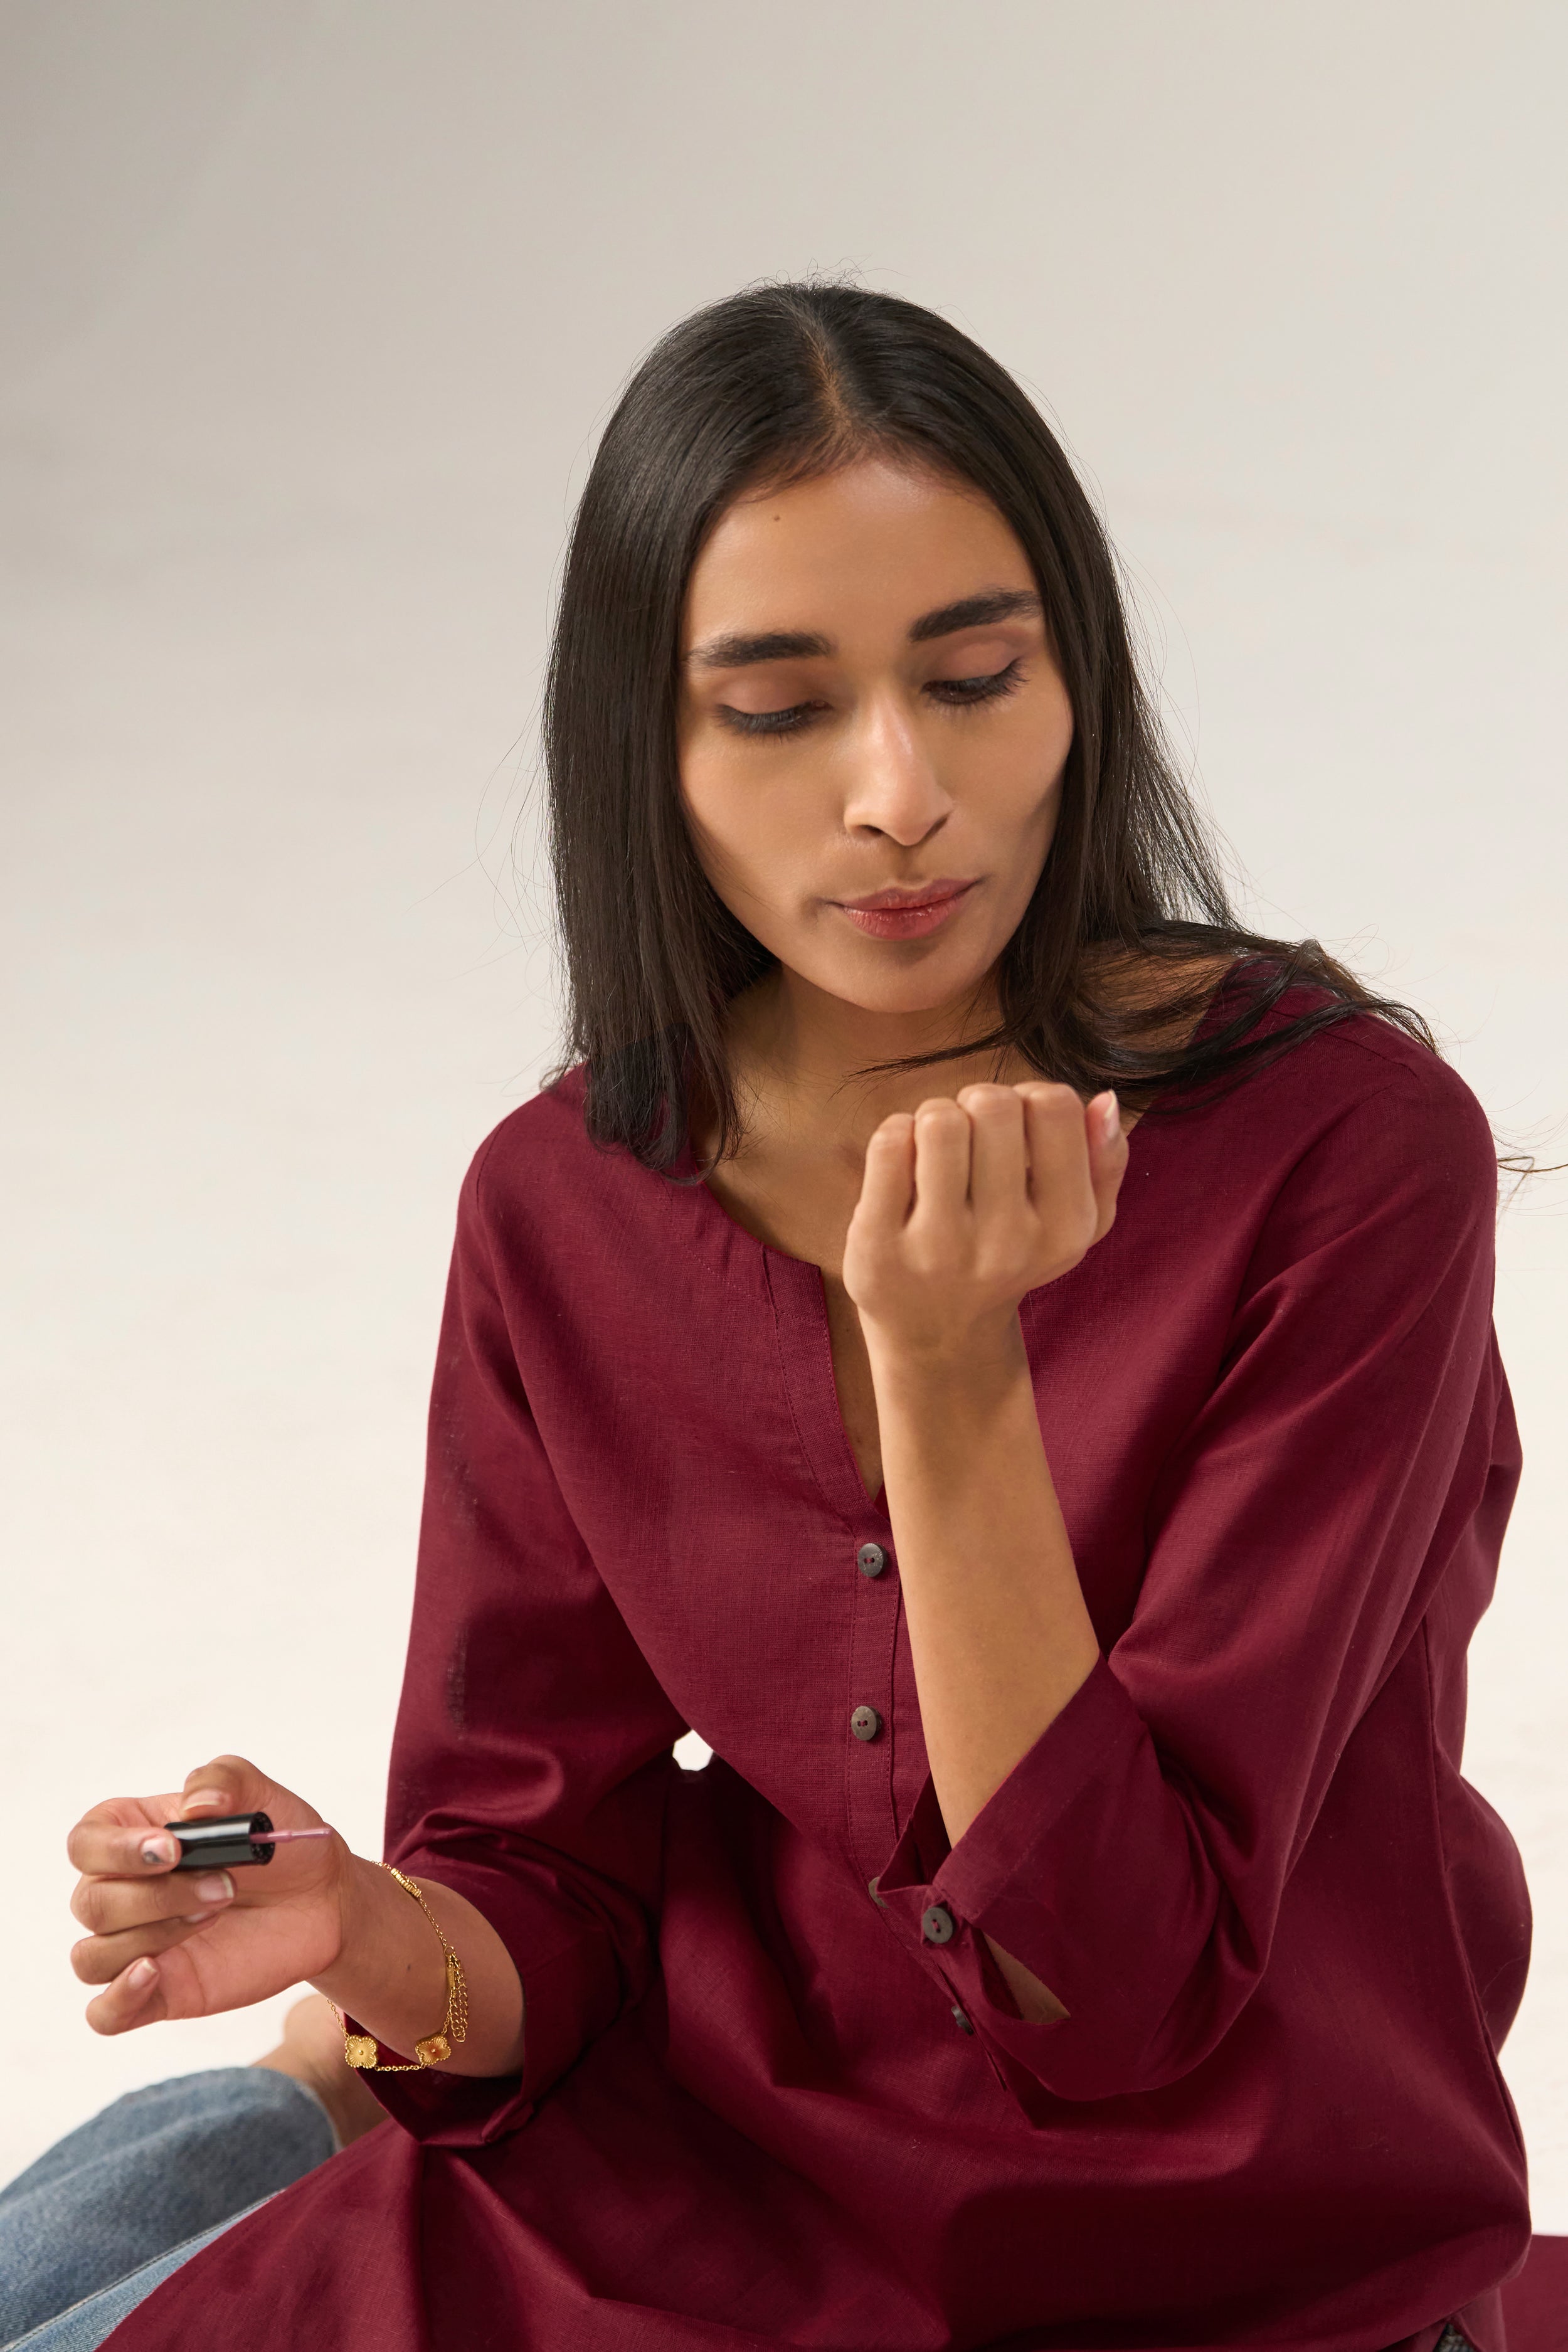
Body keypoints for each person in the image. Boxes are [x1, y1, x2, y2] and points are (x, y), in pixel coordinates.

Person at [4, 282, 1532, 2351]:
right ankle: (297, 2112)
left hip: (1207, 2260)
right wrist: (363, 1931)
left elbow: (1125, 1993)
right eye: (781, 708)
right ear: (646, 739)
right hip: (672, 2192)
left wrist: (944, 1366)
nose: (899, 792)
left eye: (974, 677)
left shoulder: (1343, 1153)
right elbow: (556, 1893)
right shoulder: (562, 1205)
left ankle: (288, 2130)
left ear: (1074, 687)